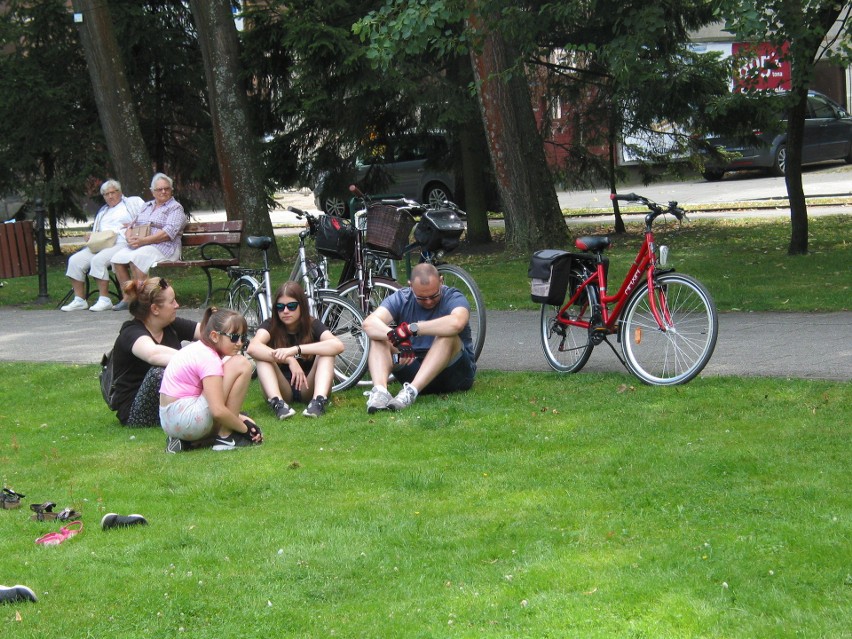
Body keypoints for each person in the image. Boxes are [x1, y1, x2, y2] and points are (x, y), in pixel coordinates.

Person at [362, 263, 476, 413]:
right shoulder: (401, 297)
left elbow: (457, 323)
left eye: (434, 296)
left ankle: (411, 393)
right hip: (413, 366)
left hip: (453, 373)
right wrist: (398, 339)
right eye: (422, 298)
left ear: (441, 281)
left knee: (448, 335)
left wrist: (411, 329)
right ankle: (380, 393)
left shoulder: (454, 297)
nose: (429, 301)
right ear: (410, 286)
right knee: (378, 337)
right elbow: (369, 324)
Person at [159, 307, 260, 452]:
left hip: (169, 422)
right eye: (234, 337)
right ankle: (226, 437)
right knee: (242, 364)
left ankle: (188, 442)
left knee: (233, 416)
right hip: (188, 419)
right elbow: (217, 411)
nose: (239, 343)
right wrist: (245, 430)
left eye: (243, 337)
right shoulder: (209, 359)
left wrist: (239, 418)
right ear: (214, 336)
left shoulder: (197, 349)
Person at [109, 277, 200, 427]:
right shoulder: (131, 332)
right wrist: (197, 361)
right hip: (135, 412)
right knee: (160, 373)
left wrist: (227, 332)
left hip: (169, 403)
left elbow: (208, 333)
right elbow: (153, 354)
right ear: (155, 309)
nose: (177, 305)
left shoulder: (171, 325)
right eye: (172, 302)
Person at [246, 281, 345, 419]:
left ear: (301, 307)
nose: (285, 311)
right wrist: (289, 359)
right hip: (283, 388)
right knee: (262, 357)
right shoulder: (270, 325)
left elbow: (338, 345)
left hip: (308, 386)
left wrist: (296, 350)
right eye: (280, 307)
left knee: (327, 353)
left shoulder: (312, 324)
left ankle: (318, 402)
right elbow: (252, 347)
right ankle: (278, 404)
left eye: (291, 306)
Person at [60, 180, 144, 312]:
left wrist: (133, 225)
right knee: (75, 261)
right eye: (106, 194)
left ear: (120, 192)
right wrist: (91, 236)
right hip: (102, 243)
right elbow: (97, 231)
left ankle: (104, 299)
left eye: (113, 192)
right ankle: (79, 300)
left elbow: (146, 217)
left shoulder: (132, 203)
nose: (110, 196)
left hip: (121, 242)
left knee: (98, 260)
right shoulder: (103, 211)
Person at [111, 173, 187, 311]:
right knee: (117, 258)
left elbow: (167, 233)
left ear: (171, 190)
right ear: (153, 192)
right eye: (159, 189)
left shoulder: (175, 208)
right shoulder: (146, 206)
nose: (163, 192)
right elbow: (131, 226)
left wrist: (143, 241)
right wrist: (129, 237)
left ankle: (144, 300)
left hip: (165, 247)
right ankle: (128, 297)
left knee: (138, 257)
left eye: (167, 188)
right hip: (143, 244)